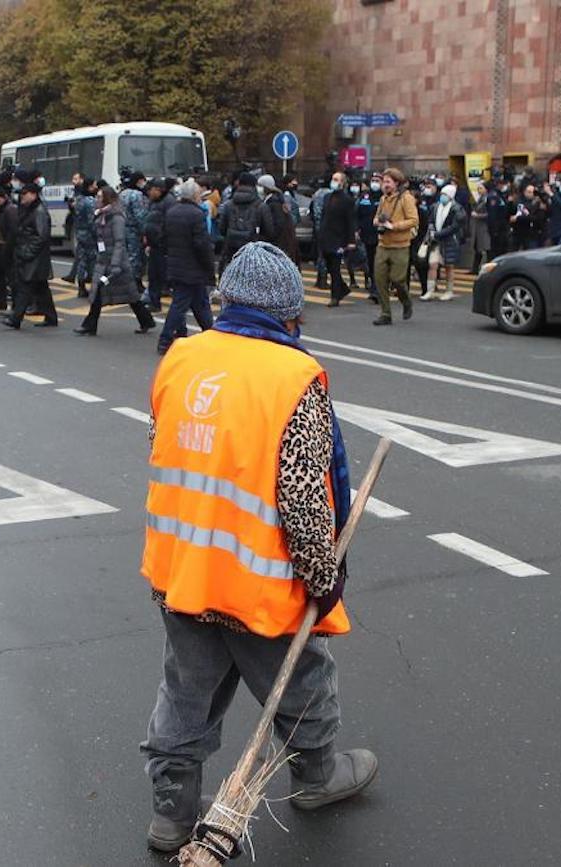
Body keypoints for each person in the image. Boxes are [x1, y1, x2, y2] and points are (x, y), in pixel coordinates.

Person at [140, 240, 377, 852]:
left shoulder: (181, 357)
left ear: (225, 301)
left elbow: (161, 446)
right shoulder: (292, 377)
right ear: (289, 314)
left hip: (183, 568)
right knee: (299, 679)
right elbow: (303, 498)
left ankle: (172, 810)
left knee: (186, 687)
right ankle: (318, 774)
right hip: (256, 579)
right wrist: (324, 578)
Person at [75, 184, 156, 337]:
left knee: (130, 295)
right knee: (99, 293)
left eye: (99, 197)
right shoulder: (100, 215)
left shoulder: (116, 217)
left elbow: (119, 242)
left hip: (116, 263)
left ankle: (145, 320)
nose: (97, 200)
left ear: (107, 198)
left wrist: (115, 264)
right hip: (104, 260)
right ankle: (90, 325)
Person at [154, 179, 216, 353]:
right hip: (193, 268)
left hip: (176, 264)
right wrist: (209, 269)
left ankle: (210, 335)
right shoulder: (197, 215)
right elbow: (202, 245)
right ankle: (165, 339)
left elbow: (163, 238)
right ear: (194, 196)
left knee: (200, 304)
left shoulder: (172, 212)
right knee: (182, 305)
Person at [2, 183, 56, 330]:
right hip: (32, 255)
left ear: (33, 194)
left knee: (25, 287)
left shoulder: (39, 211)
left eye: (24, 194)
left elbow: (41, 236)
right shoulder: (29, 209)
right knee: (41, 287)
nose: (22, 197)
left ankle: (16, 318)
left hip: (34, 257)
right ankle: (51, 317)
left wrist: (27, 252)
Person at [371, 168, 418, 326]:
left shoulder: (406, 198)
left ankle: (406, 301)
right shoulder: (383, 199)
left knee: (397, 280)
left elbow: (413, 220)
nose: (385, 185)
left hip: (400, 245)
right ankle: (385, 313)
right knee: (380, 279)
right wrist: (378, 221)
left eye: (388, 182)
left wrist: (394, 226)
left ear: (396, 183)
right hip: (383, 244)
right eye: (384, 182)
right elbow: (377, 216)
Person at [316, 171, 356, 307]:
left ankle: (335, 297)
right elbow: (324, 217)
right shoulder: (327, 197)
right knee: (329, 267)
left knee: (335, 268)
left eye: (337, 179)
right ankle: (342, 289)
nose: (334, 181)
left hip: (338, 239)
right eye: (333, 179)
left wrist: (351, 241)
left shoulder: (347, 200)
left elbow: (350, 222)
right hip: (325, 237)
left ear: (343, 183)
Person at [421, 181, 465, 301]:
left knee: (449, 266)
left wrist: (438, 234)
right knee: (432, 264)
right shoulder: (435, 206)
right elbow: (430, 220)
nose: (442, 196)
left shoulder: (457, 209)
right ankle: (430, 290)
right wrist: (431, 230)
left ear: (451, 196)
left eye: (445, 194)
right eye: (442, 194)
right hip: (436, 241)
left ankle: (449, 291)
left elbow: (454, 227)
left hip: (450, 241)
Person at [215, 172, 262, 273]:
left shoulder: (228, 204)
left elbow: (221, 228)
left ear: (239, 184)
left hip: (231, 248)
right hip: (253, 250)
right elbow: (269, 229)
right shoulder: (260, 205)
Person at [144, 178, 172, 311]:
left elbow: (169, 224)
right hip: (153, 245)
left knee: (164, 275)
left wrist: (162, 239)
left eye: (151, 190)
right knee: (153, 275)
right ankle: (154, 302)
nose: (149, 192)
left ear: (159, 190)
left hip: (164, 246)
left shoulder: (169, 202)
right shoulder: (153, 202)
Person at [70, 177, 97, 299]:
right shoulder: (90, 202)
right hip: (90, 236)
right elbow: (92, 221)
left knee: (81, 260)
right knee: (93, 260)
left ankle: (81, 287)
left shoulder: (79, 200)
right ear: (89, 187)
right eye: (94, 185)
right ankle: (94, 287)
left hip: (80, 233)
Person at [354, 176, 380, 297]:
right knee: (370, 261)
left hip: (382, 235)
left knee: (380, 262)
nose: (375, 183)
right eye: (373, 181)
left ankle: (379, 287)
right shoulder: (365, 196)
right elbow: (357, 214)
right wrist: (356, 230)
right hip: (367, 234)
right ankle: (373, 286)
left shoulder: (385, 197)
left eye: (377, 181)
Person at [510, 184, 547, 251]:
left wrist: (518, 218)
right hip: (519, 231)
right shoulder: (519, 201)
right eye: (528, 192)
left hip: (532, 233)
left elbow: (534, 217)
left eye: (532, 192)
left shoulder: (538, 204)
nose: (530, 194)